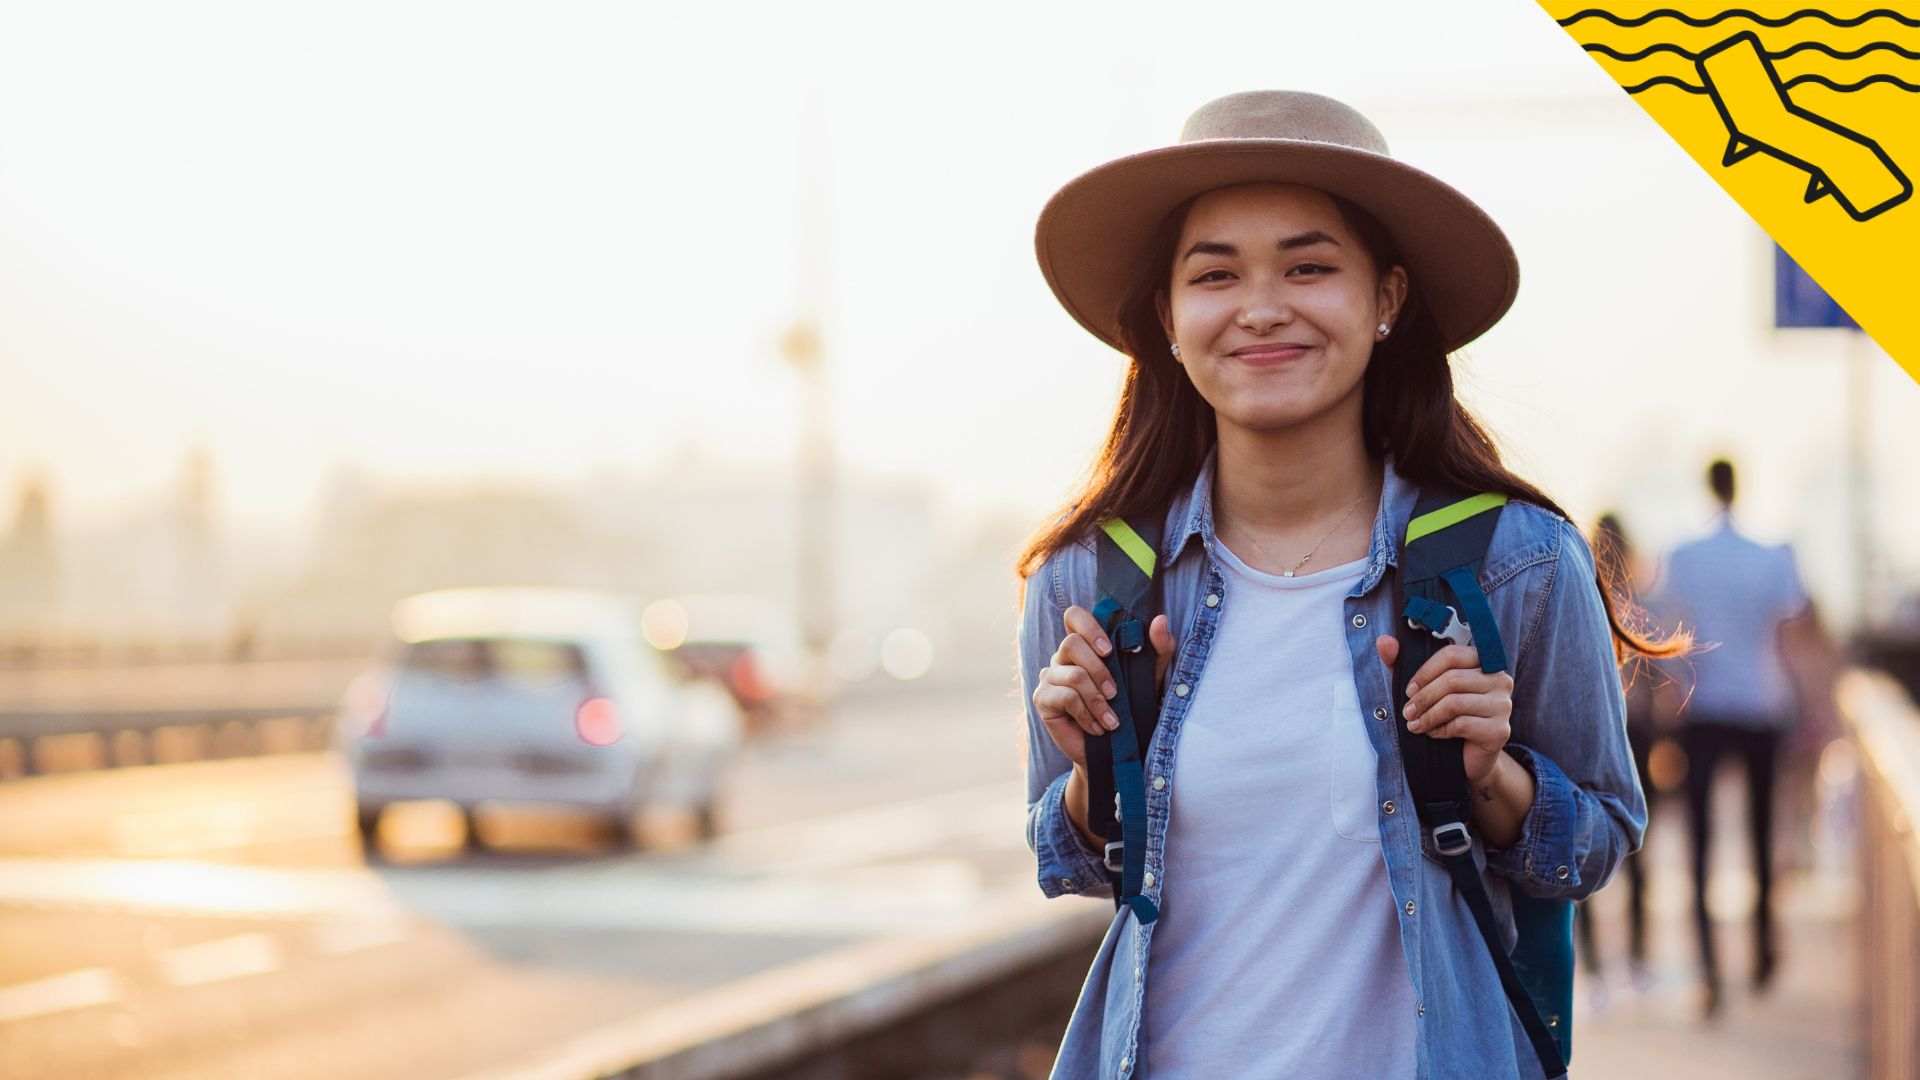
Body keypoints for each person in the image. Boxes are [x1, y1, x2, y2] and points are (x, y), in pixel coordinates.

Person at [1016, 90, 1680, 1079]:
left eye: (1309, 265)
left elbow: (1597, 845)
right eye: (1216, 274)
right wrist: (1091, 775)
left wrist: (1490, 774)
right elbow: (1065, 862)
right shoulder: (1093, 578)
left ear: (1386, 299)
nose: (1261, 306)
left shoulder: (1517, 561)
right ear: (1169, 316)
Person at [1652, 458, 1831, 1017]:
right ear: (1741, 486)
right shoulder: (1774, 556)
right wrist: (1812, 711)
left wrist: (1666, 709)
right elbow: (1792, 638)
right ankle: (1760, 952)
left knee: (1700, 844)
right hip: (1761, 705)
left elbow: (1668, 641)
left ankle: (1708, 969)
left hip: (1702, 710)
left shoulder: (1682, 557)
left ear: (1707, 487)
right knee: (1760, 835)